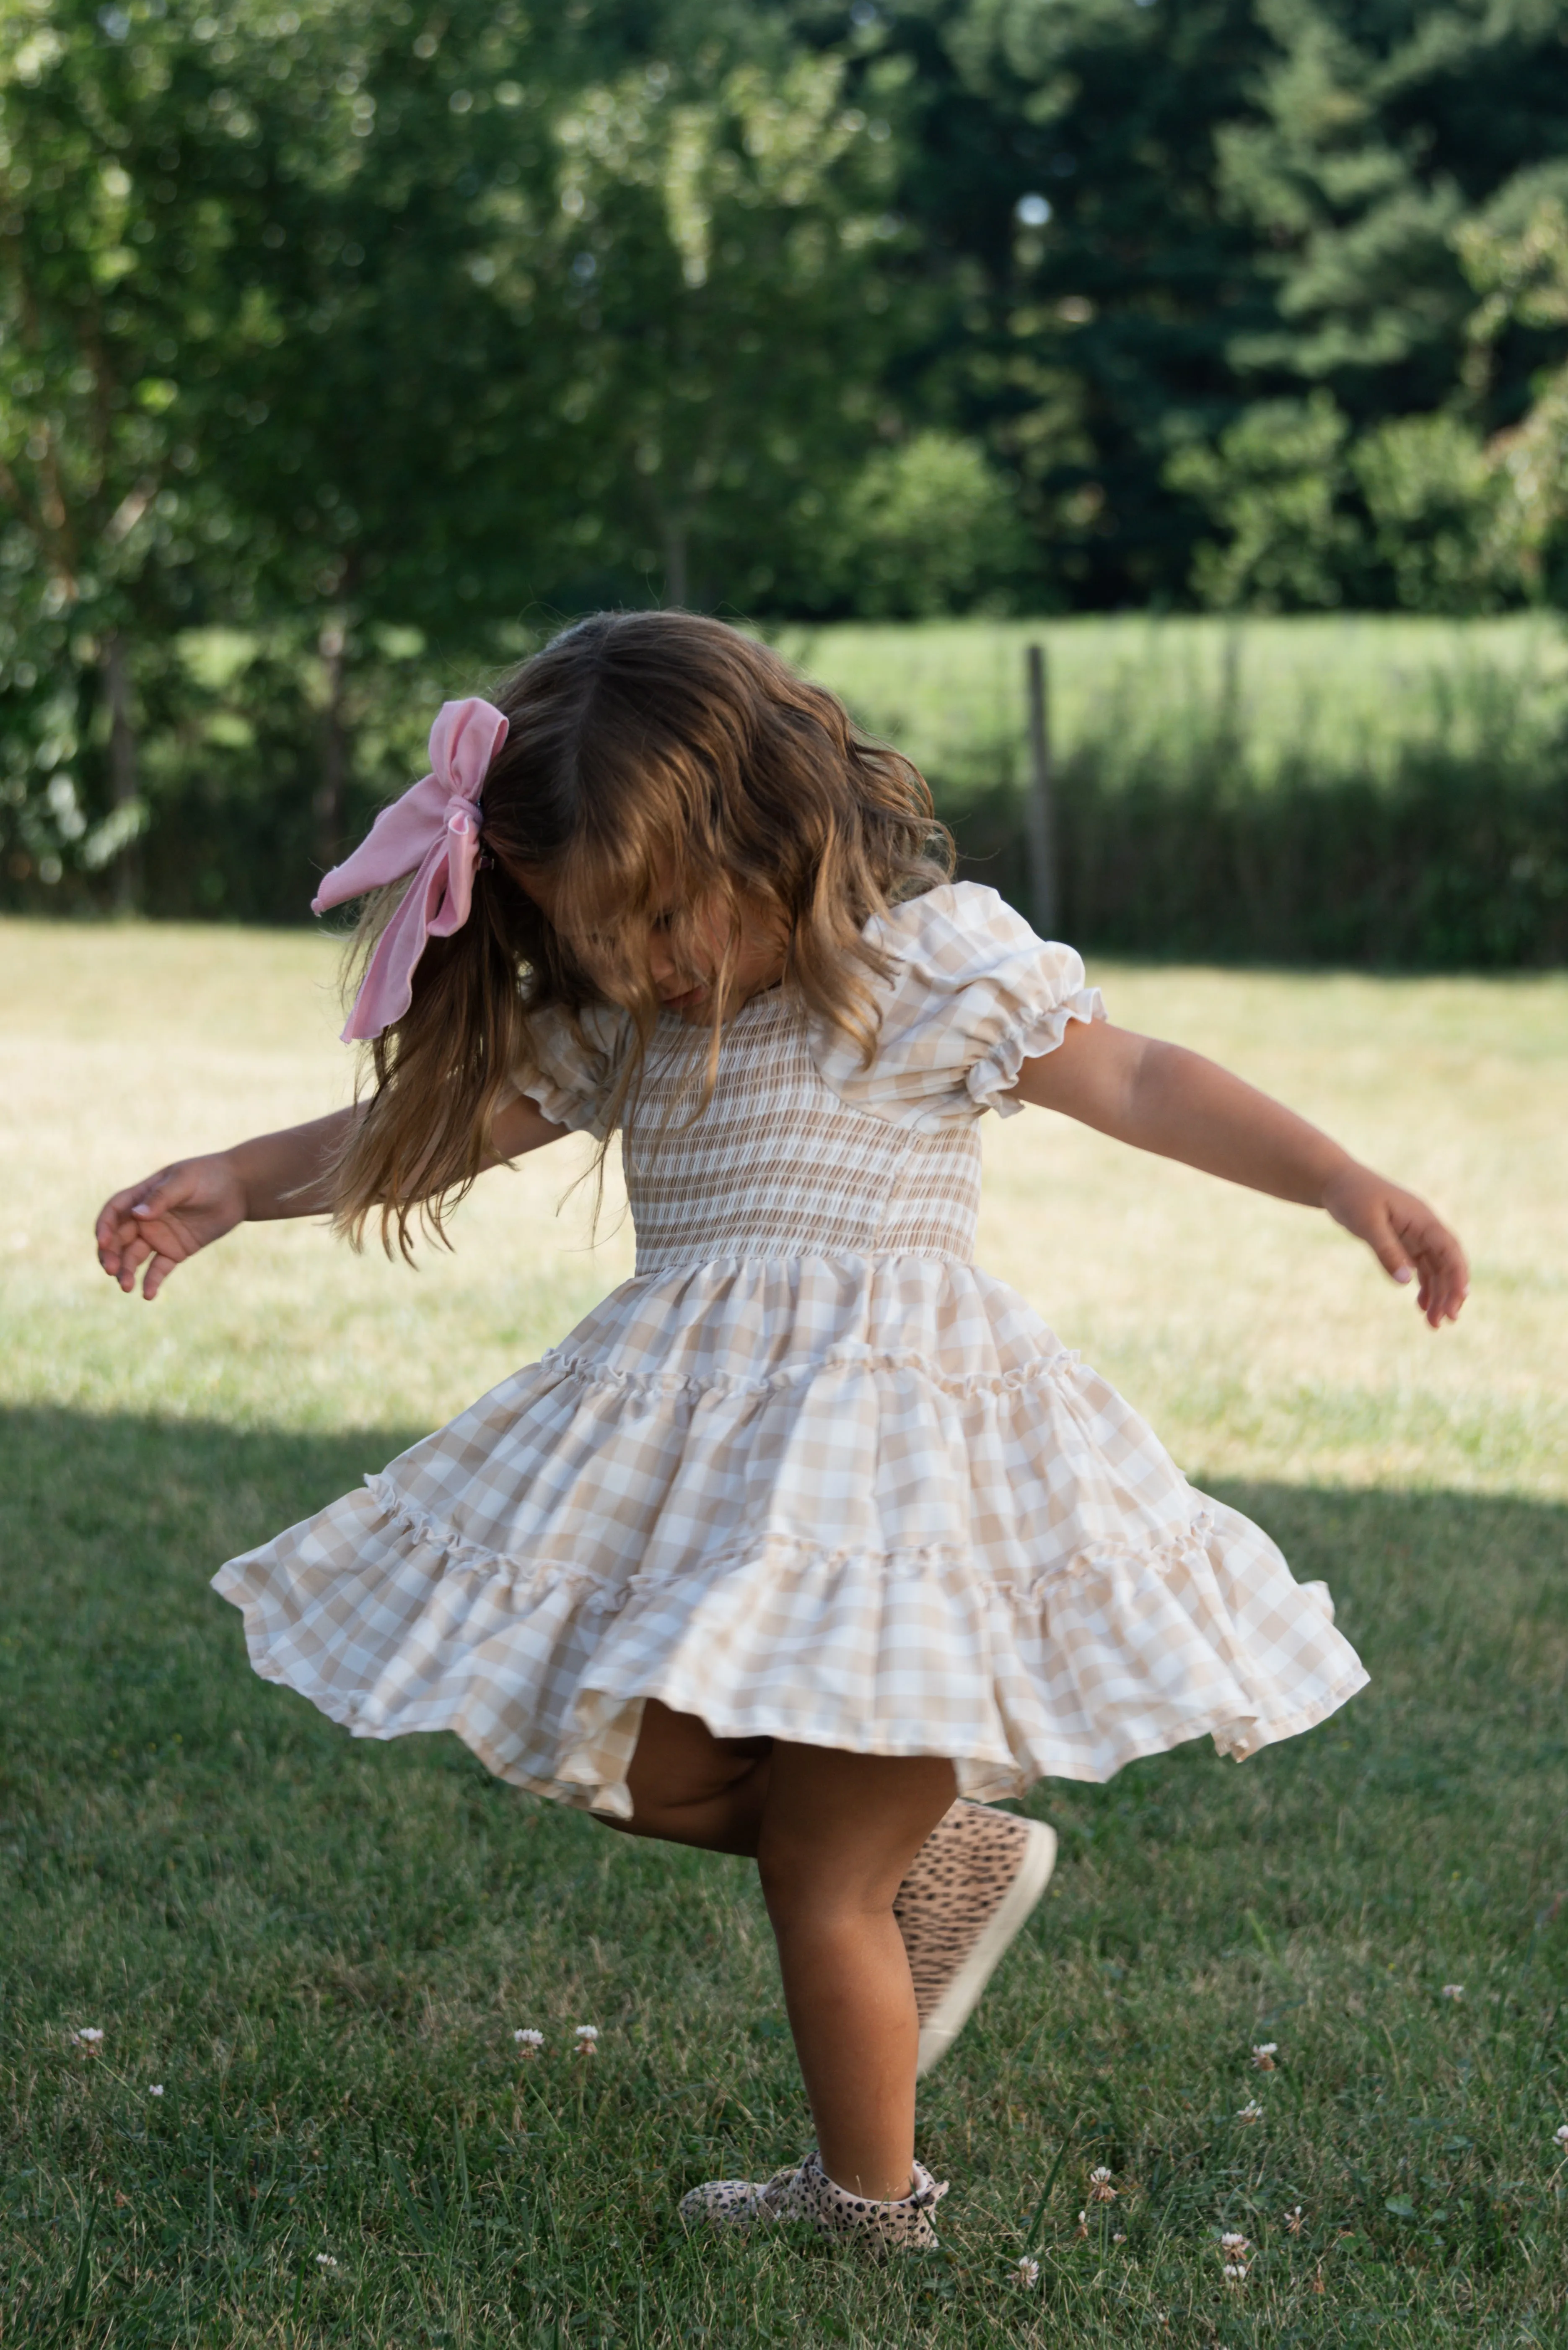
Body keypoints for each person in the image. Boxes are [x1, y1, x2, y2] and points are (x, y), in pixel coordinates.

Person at [95, 611, 1467, 2255]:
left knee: (818, 1884)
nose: (645, 962)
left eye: (664, 916)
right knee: (620, 1752)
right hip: (706, 1486)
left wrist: (1335, 1180)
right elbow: (435, 1125)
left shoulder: (925, 967)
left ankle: (866, 2204)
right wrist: (240, 1184)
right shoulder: (630, 1032)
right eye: (596, 937)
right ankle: (938, 1852)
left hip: (898, 1493)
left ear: (775, 825)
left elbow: (1147, 1078)